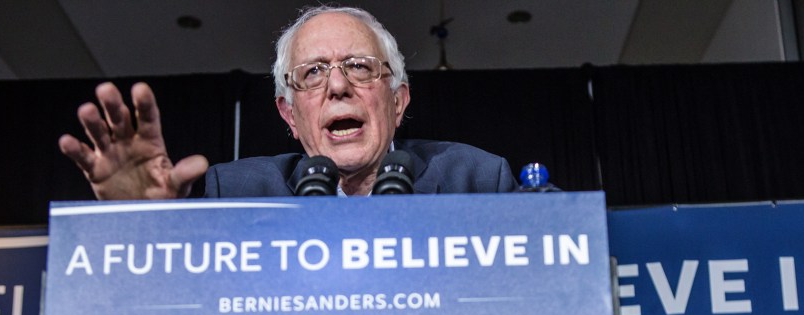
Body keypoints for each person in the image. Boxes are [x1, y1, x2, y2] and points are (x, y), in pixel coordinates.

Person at [58, 6, 519, 199]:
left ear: (398, 101)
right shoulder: (236, 194)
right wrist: (146, 230)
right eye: (313, 73)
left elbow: (578, 245)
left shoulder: (476, 180)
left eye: (359, 66)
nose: (337, 87)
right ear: (289, 115)